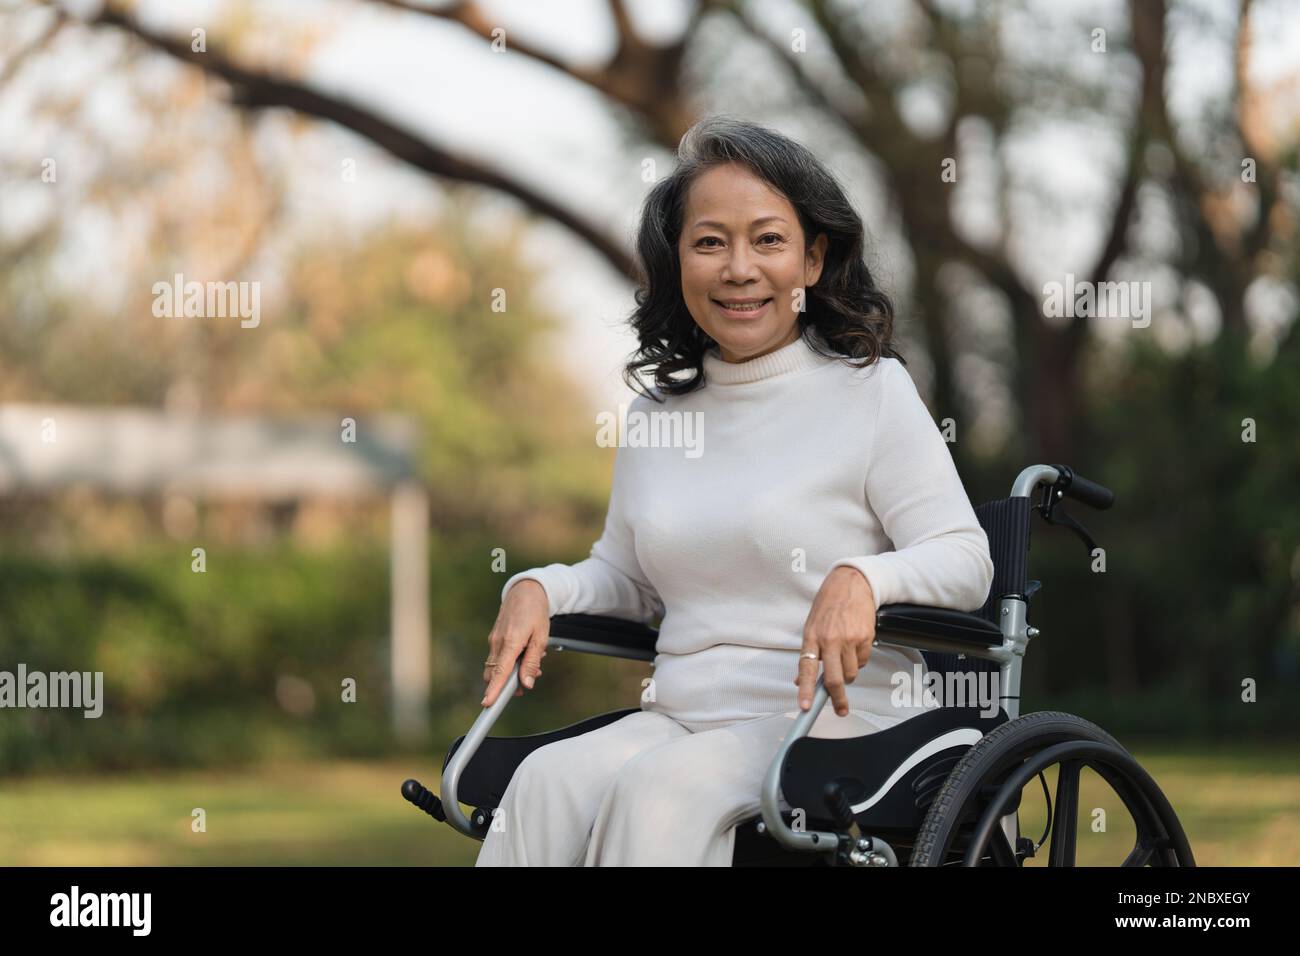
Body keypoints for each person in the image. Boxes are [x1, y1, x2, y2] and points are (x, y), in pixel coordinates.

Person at [475, 116, 994, 866]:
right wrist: (539, 589)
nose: (739, 268)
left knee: (658, 793)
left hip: (838, 717)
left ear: (813, 259)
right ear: (678, 262)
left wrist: (866, 578)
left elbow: (965, 558)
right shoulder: (657, 414)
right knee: (543, 784)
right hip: (687, 715)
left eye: (769, 240)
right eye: (710, 241)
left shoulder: (870, 392)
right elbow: (627, 578)